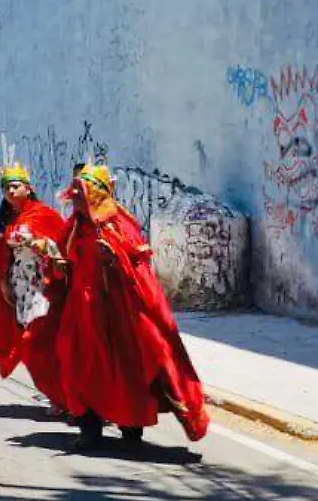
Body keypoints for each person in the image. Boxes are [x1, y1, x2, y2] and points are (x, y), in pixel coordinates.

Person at [54, 165, 210, 449]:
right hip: (82, 312)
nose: (73, 196)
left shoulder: (118, 225)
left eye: (80, 191)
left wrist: (115, 260)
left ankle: (130, 428)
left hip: (119, 314)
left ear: (96, 193)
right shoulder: (75, 225)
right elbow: (65, 259)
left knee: (125, 368)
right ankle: (89, 427)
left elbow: (140, 271)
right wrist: (58, 265)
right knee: (75, 361)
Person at [0, 166, 71, 409]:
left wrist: (38, 243)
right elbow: (6, 256)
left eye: (16, 186)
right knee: (33, 346)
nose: (11, 191)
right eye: (7, 187)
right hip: (21, 290)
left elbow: (62, 245)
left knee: (38, 343)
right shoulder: (11, 219)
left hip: (43, 288)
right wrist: (4, 283)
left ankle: (65, 396)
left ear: (28, 188)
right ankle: (59, 397)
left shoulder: (44, 214)